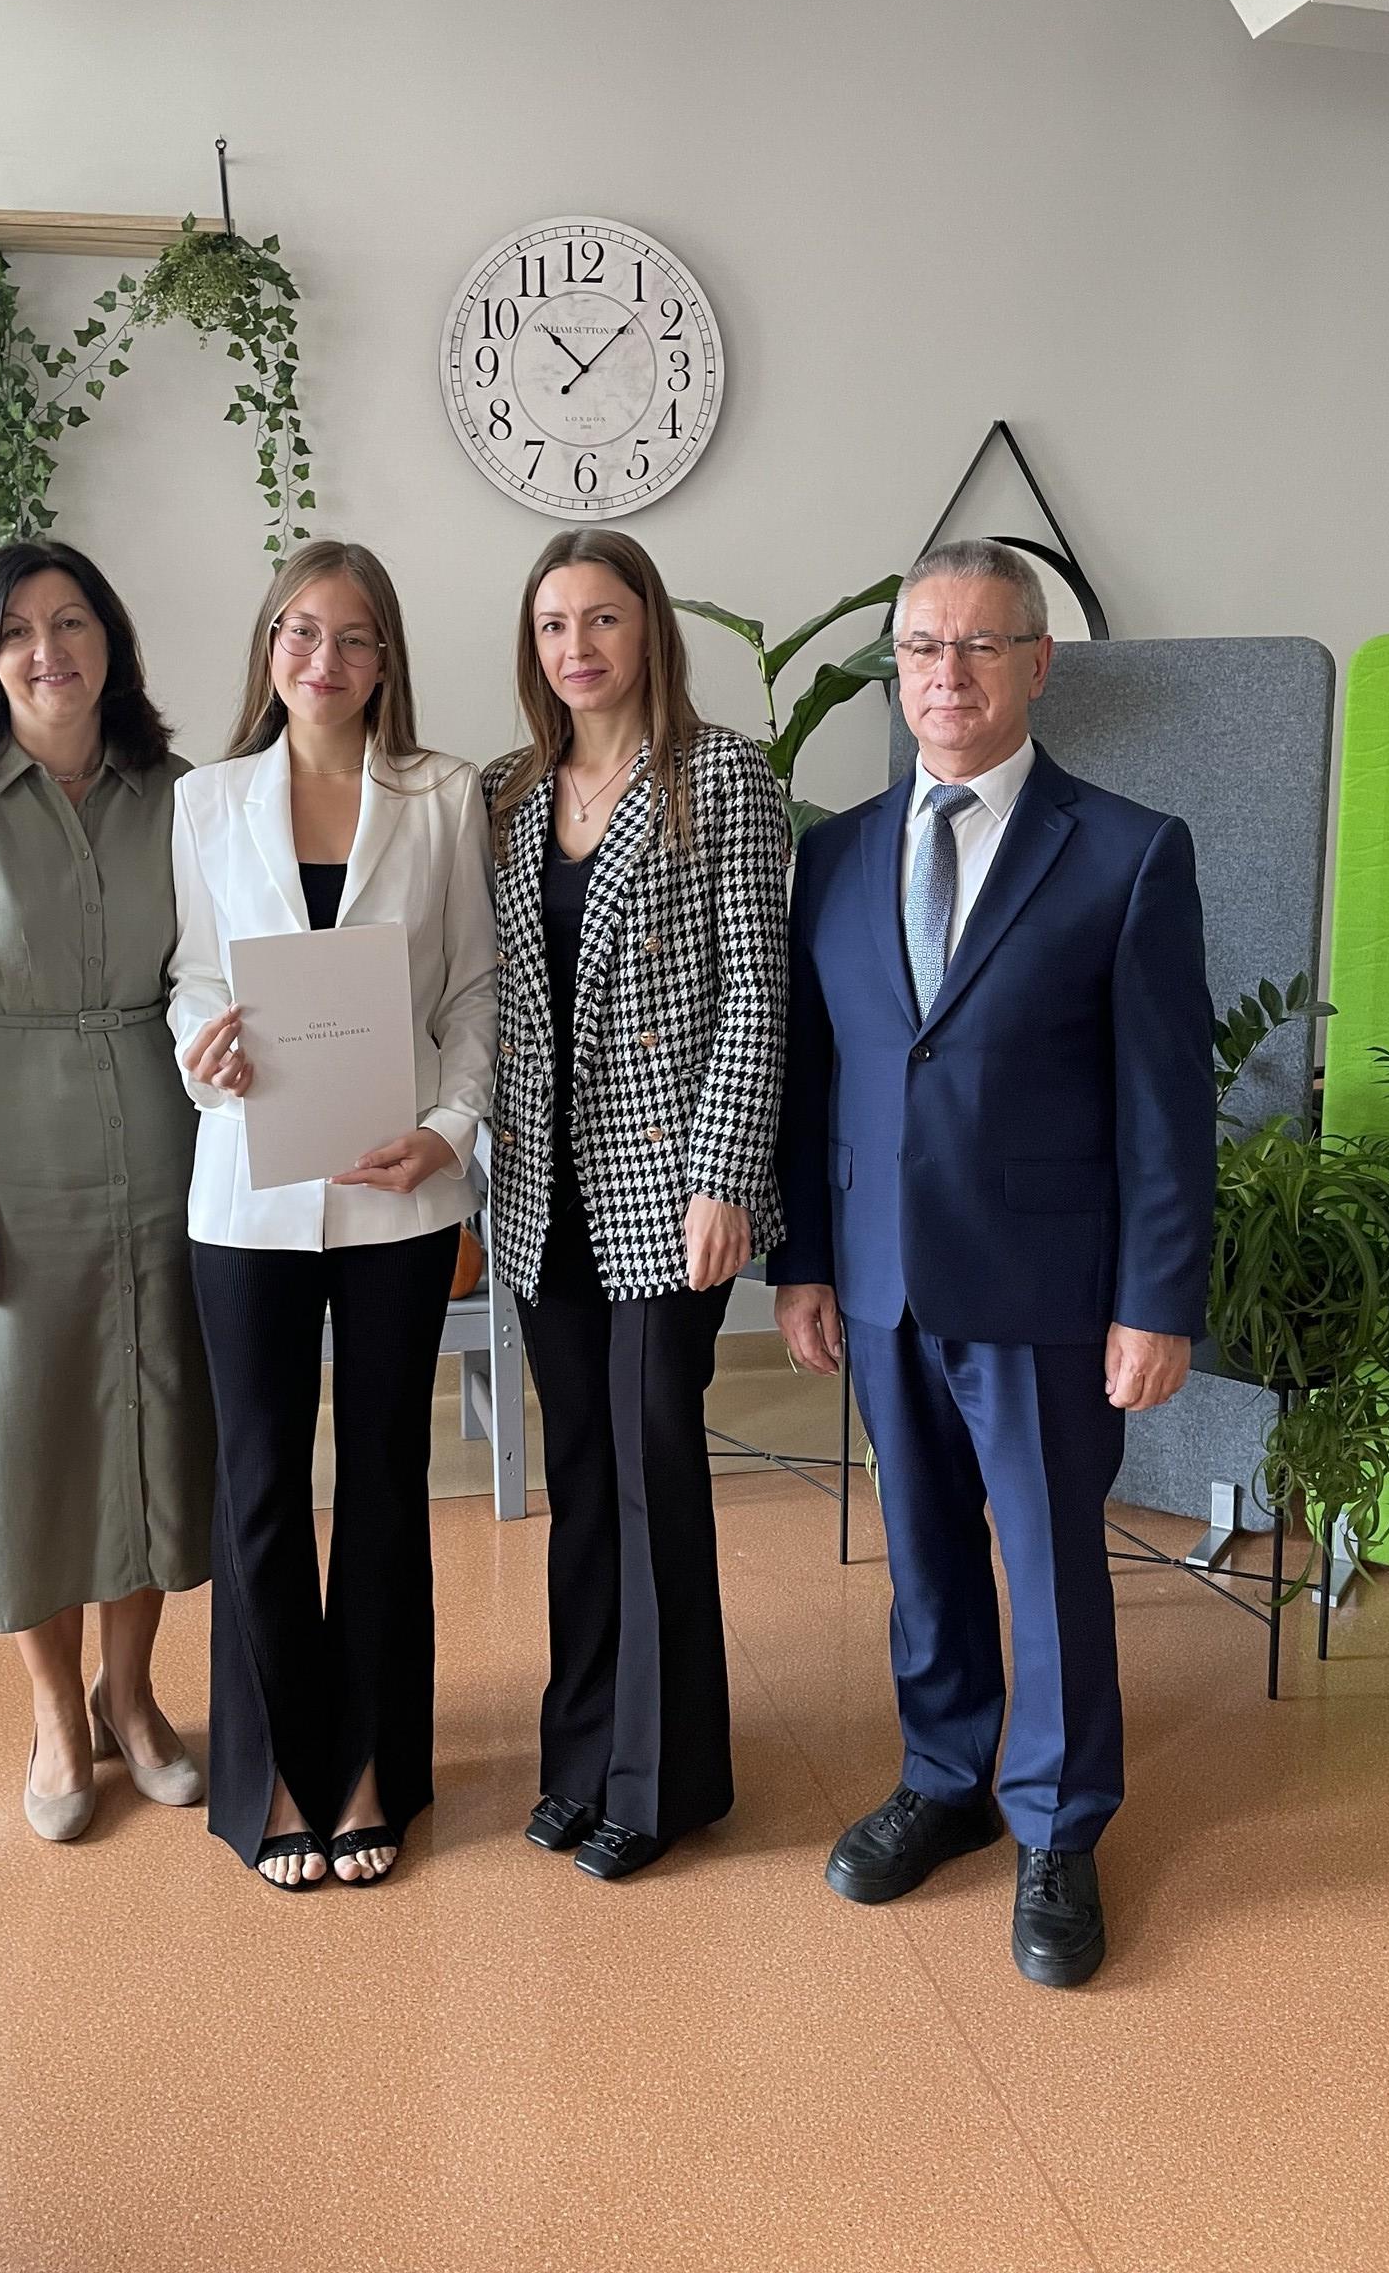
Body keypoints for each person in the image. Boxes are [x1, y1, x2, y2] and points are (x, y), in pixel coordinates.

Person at [772, 538, 1213, 1985]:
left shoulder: (1128, 851)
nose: (944, 674)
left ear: (1037, 664)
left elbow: (1166, 1106)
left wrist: (1156, 1300)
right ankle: (945, 1777)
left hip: (1044, 1287)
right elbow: (819, 1079)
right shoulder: (835, 854)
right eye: (921, 647)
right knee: (925, 1551)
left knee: (1050, 1561)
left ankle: (1060, 1826)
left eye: (977, 645)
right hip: (883, 1278)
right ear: (894, 671)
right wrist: (806, 1262)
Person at [0, 540, 214, 1844]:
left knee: (155, 1425)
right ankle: (58, 1717)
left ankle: (134, 1696)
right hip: (11, 1157)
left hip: (170, 1146)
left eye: (71, 623)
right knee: (33, 1437)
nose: (47, 651)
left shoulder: (176, 793)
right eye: (17, 631)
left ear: (110, 640)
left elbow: (222, 963)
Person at [170, 540, 496, 1892]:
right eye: (302, 631)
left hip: (397, 1196)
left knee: (381, 1485)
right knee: (257, 1486)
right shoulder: (205, 801)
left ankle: (366, 1768)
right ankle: (272, 1780)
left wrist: (449, 1129)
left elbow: (471, 991)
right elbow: (195, 979)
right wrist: (205, 1054)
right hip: (247, 1194)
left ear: (385, 660)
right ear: (270, 648)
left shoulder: (444, 795)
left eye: (355, 637)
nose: (326, 658)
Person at [484, 528, 789, 1883]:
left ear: (649, 628)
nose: (578, 648)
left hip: (669, 1181)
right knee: (584, 1478)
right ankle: (581, 1759)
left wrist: (725, 1176)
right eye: (554, 625)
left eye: (602, 619)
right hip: (539, 1186)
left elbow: (758, 994)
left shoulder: (719, 777)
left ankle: (666, 1784)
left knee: (654, 1459)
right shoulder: (507, 793)